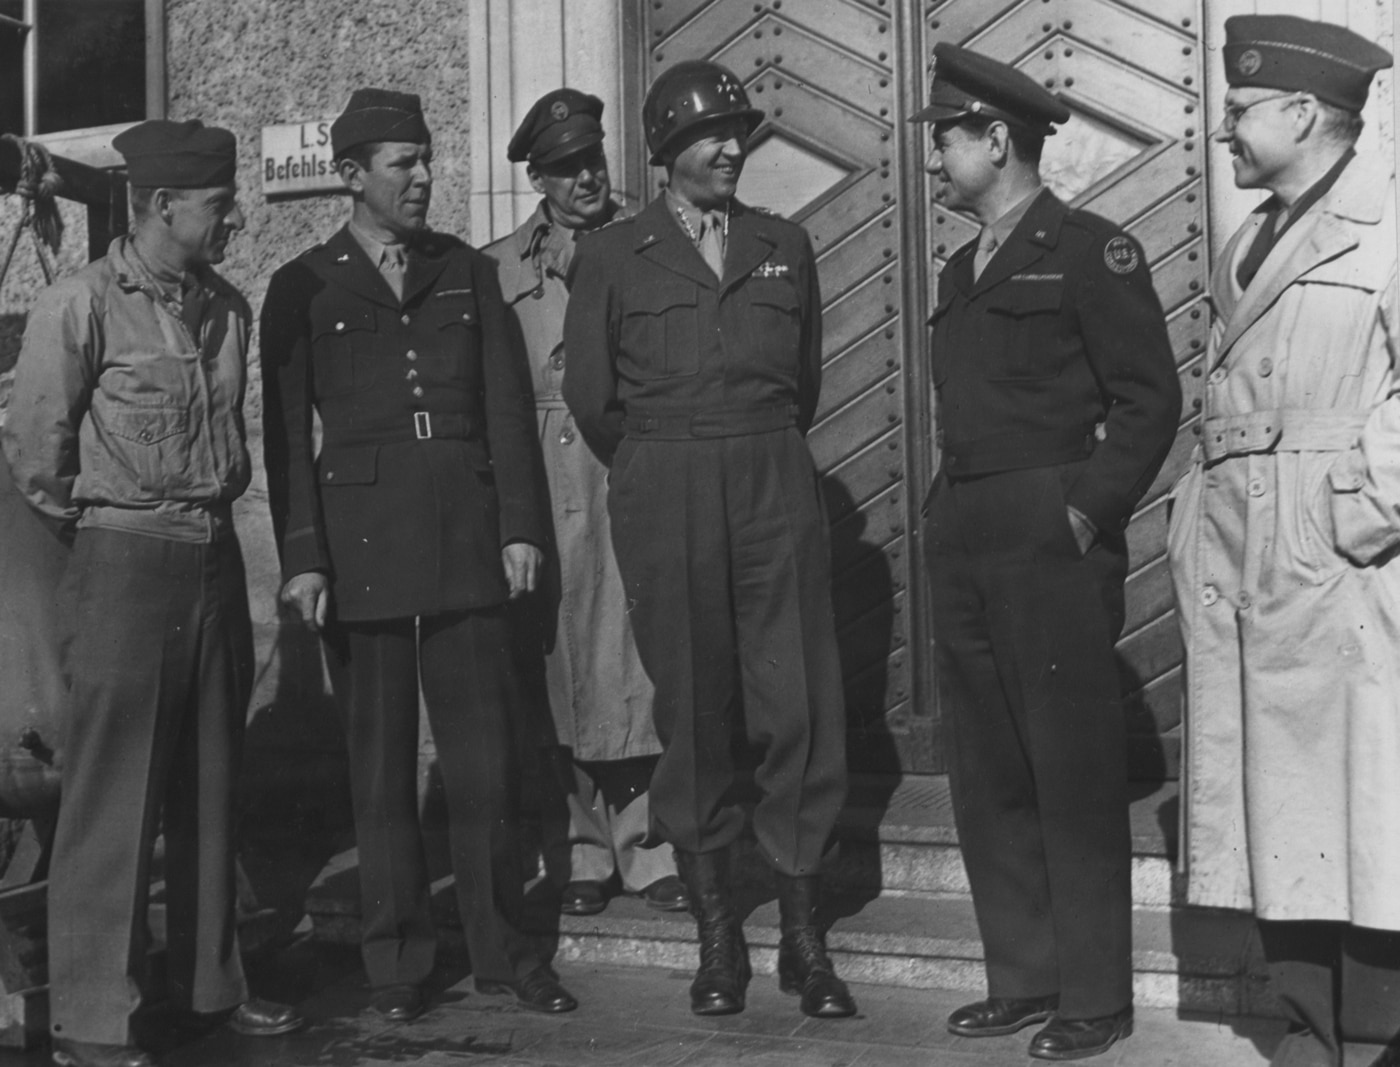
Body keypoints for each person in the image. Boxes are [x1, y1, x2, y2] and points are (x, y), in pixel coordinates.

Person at [259, 88, 576, 1020]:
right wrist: (303, 555)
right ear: (352, 177)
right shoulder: (303, 285)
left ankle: (506, 950)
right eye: (404, 163)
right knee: (381, 767)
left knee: (485, 766)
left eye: (428, 158)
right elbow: (285, 437)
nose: (425, 177)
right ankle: (396, 963)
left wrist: (519, 524)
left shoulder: (466, 273)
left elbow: (507, 405)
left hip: (464, 535)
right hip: (357, 549)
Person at [2, 119, 303, 1067]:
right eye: (218, 205)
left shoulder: (227, 308)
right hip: (125, 557)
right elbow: (37, 453)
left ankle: (213, 985)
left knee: (213, 777)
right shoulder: (79, 305)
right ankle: (93, 1016)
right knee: (112, 794)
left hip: (213, 552)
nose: (234, 219)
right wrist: (105, 533)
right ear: (163, 205)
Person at [563, 59, 855, 1021]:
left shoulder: (785, 244)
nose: (733, 146)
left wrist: (747, 449)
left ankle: (804, 941)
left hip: (771, 475)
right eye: (712, 133)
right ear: (665, 150)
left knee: (796, 706)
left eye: (740, 131)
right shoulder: (614, 254)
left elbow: (800, 382)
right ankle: (719, 937)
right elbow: (594, 401)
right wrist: (665, 463)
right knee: (693, 714)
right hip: (668, 481)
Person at [916, 43, 1181, 1061]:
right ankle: (1021, 975)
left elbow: (1147, 398)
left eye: (947, 135)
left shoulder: (1088, 250)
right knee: (987, 766)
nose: (936, 153)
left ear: (995, 139)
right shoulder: (958, 264)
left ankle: (1093, 994)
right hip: (966, 528)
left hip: (1048, 530)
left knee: (1068, 768)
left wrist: (1083, 512)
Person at [1167, 17, 1399, 1067]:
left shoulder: (1385, 220)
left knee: (1359, 811)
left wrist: (1358, 503)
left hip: (1340, 565)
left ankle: (1369, 1039)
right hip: (1243, 550)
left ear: (1301, 113)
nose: (1222, 129)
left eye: (1238, 110)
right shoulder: (1249, 236)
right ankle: (1305, 1037)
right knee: (1280, 812)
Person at [483, 89, 686, 918]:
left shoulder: (649, 244)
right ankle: (577, 850)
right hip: (541, 486)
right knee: (557, 669)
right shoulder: (498, 266)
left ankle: (648, 846)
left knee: (635, 662)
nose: (585, 180)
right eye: (565, 169)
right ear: (539, 177)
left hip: (624, 476)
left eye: (593, 161)